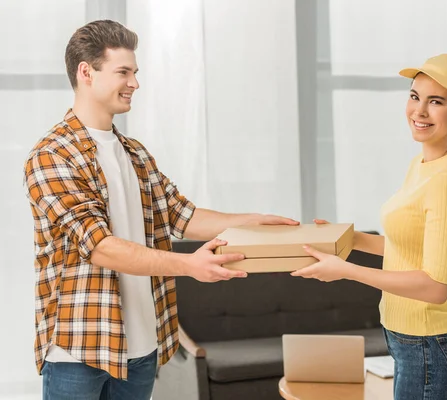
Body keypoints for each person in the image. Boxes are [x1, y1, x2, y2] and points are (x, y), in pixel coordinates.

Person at [23, 20, 298, 400]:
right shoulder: (52, 156)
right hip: (80, 351)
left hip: (141, 348)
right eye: (124, 72)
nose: (135, 82)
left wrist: (251, 221)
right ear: (86, 72)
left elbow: (181, 216)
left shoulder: (134, 153)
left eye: (135, 72)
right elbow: (101, 246)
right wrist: (189, 266)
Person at [292, 53, 447, 399]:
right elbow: (412, 248)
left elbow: (435, 286)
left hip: (432, 347)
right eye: (415, 96)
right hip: (417, 343)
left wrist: (347, 270)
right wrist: (349, 238)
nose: (419, 111)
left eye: (436, 102)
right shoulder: (425, 161)